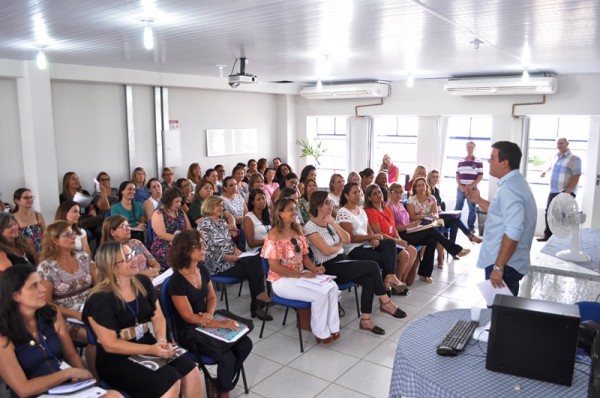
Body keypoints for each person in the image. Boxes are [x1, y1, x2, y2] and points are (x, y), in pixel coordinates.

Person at [83, 240, 203, 397]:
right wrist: (152, 350)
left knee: (191, 371)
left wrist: (160, 341)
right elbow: (110, 345)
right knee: (170, 381)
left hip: (146, 343)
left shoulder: (143, 282)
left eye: (132, 253)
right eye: (127, 258)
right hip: (116, 359)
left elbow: (158, 316)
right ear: (112, 267)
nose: (135, 259)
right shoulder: (99, 300)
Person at [0, 265, 115, 398]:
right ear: (16, 296)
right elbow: (23, 389)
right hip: (37, 393)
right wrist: (68, 373)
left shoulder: (52, 316)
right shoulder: (4, 335)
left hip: (65, 387)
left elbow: (71, 355)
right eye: (34, 286)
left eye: (41, 283)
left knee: (113, 395)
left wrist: (86, 381)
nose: (43, 289)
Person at [304, 191, 406, 335]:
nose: (331, 205)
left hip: (342, 260)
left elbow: (346, 238)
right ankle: (385, 301)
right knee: (372, 265)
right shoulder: (310, 227)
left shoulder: (329, 221)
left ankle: (365, 320)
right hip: (328, 267)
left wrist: (333, 222)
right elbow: (326, 252)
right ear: (318, 205)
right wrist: (339, 246)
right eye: (327, 202)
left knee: (369, 279)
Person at [168, 230, 253, 398]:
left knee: (246, 344)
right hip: (189, 331)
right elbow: (188, 317)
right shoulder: (177, 281)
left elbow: (212, 297)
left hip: (206, 320)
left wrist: (209, 313)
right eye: (198, 246)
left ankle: (221, 384)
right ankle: (224, 390)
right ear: (185, 251)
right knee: (226, 358)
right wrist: (218, 323)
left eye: (203, 245)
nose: (203, 249)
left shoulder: (202, 269)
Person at [262, 197, 341, 344]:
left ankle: (333, 326)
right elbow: (275, 267)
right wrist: (300, 275)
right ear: (280, 214)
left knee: (332, 287)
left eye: (295, 208)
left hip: (300, 275)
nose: (295, 212)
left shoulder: (297, 230)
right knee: (320, 295)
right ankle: (321, 332)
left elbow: (304, 257)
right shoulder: (273, 235)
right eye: (290, 209)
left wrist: (315, 269)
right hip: (282, 280)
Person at [465, 141, 537, 296]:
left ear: (505, 162)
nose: (488, 161)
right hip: (507, 261)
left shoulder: (510, 189)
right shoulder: (515, 183)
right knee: (504, 312)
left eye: (492, 158)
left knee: (500, 314)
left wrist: (498, 268)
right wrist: (478, 200)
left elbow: (513, 231)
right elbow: (502, 213)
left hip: (504, 262)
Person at [197, 196, 272, 320]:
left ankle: (259, 298)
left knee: (254, 260)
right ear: (210, 206)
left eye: (222, 205)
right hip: (217, 264)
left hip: (231, 258)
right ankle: (257, 305)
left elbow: (228, 242)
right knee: (253, 271)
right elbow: (209, 251)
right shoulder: (204, 225)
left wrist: (235, 248)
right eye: (219, 205)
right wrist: (230, 258)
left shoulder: (222, 223)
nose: (222, 208)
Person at [37, 221, 97, 374]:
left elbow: (98, 287)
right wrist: (76, 314)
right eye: (68, 234)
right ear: (55, 240)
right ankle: (95, 381)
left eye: (73, 233)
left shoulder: (83, 257)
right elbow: (47, 304)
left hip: (90, 309)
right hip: (64, 317)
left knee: (117, 325)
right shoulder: (47, 267)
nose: (74, 236)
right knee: (96, 337)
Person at [386, 183, 470, 283]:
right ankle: (455, 249)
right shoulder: (389, 206)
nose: (399, 195)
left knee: (432, 239)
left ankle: (425, 273)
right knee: (431, 231)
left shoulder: (399, 204)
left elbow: (407, 220)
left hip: (409, 230)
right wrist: (411, 226)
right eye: (396, 192)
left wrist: (415, 225)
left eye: (401, 192)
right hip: (401, 235)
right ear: (390, 193)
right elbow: (394, 228)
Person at [335, 183, 406, 294]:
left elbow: (368, 230)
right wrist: (372, 236)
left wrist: (373, 239)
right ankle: (386, 287)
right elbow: (351, 238)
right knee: (388, 259)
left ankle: (390, 278)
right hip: (354, 249)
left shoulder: (361, 210)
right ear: (346, 195)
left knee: (389, 243)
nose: (358, 195)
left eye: (359, 192)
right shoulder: (343, 212)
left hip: (366, 244)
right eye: (355, 192)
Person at [407, 177, 482, 255]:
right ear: (415, 188)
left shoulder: (431, 198)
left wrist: (434, 216)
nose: (421, 187)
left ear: (426, 186)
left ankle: (455, 250)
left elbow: (435, 213)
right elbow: (412, 217)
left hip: (433, 222)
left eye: (423, 185)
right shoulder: (412, 199)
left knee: (453, 222)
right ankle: (468, 237)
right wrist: (425, 216)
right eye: (418, 185)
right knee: (454, 219)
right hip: (421, 224)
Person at [364, 184, 417, 289]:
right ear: (369, 198)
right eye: (375, 194)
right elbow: (378, 233)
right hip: (383, 242)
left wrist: (400, 239)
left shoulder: (385, 208)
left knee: (413, 250)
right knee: (404, 255)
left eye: (379, 192)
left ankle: (402, 280)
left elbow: (393, 227)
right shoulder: (370, 211)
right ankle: (395, 284)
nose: (379, 195)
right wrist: (397, 242)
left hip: (393, 239)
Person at [537, 137, 582, 242]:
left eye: (561, 143)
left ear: (567, 144)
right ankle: (547, 235)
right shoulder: (556, 157)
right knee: (549, 212)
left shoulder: (574, 158)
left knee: (563, 215)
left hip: (565, 191)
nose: (559, 145)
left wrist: (568, 191)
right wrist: (544, 172)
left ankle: (562, 238)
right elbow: (550, 166)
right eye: (557, 143)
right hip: (553, 190)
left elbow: (577, 175)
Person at [150, 188, 192, 268]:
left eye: (180, 202)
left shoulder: (180, 211)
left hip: (181, 243)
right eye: (176, 201)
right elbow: (161, 234)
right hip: (164, 246)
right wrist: (182, 241)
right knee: (185, 257)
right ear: (169, 201)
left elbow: (189, 229)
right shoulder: (158, 213)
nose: (179, 204)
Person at [60, 172, 103, 241]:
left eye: (77, 178)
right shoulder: (63, 197)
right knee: (87, 234)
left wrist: (92, 210)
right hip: (77, 222)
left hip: (89, 219)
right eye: (73, 179)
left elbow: (91, 204)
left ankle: (99, 251)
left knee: (100, 231)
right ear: (67, 183)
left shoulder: (84, 192)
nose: (77, 181)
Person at [454, 141, 484, 234]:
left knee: (472, 209)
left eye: (471, 147)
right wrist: (460, 186)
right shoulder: (461, 161)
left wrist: (470, 186)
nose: (469, 149)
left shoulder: (479, 162)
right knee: (458, 207)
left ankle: (470, 227)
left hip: (472, 189)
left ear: (474, 148)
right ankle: (455, 225)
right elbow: (457, 174)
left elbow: (480, 176)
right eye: (468, 147)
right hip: (460, 188)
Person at [12, 188, 47, 256]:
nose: (30, 200)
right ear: (17, 201)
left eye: (31, 197)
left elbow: (46, 233)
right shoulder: (12, 217)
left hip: (42, 250)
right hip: (25, 251)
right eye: (26, 198)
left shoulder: (38, 215)